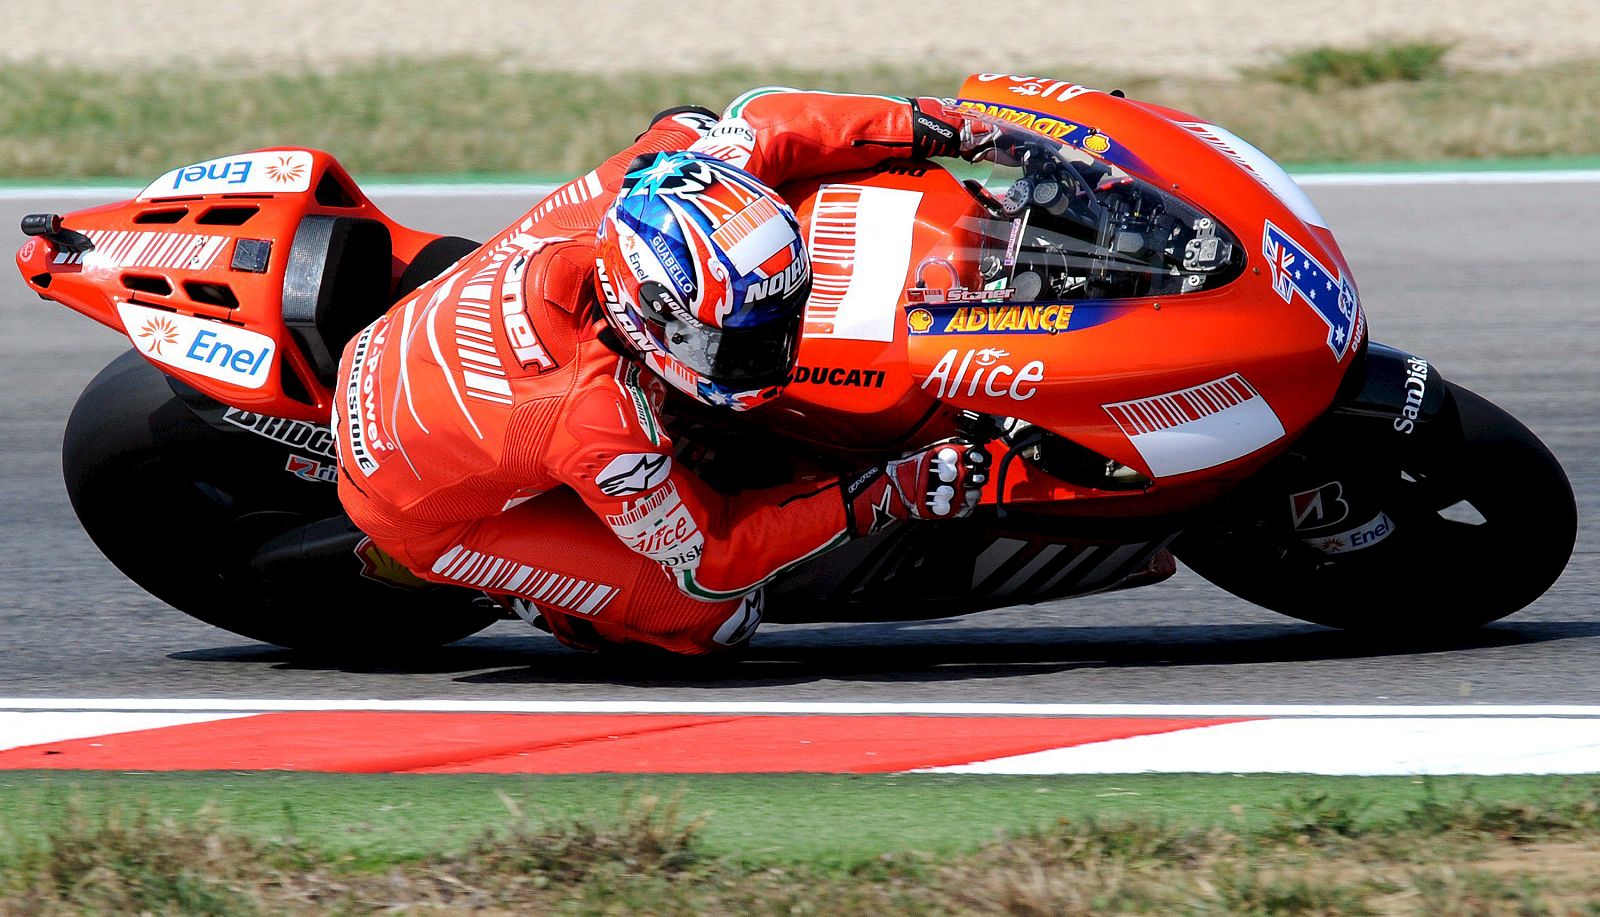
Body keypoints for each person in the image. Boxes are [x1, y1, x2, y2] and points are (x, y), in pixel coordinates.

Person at [334, 88, 991, 655]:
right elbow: (714, 557)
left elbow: (758, 122)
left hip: (413, 341)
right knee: (717, 617)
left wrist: (942, 121)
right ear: (647, 311)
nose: (772, 353)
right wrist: (879, 494)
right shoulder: (602, 427)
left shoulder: (648, 183)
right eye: (734, 344)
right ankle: (532, 600)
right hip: (406, 500)